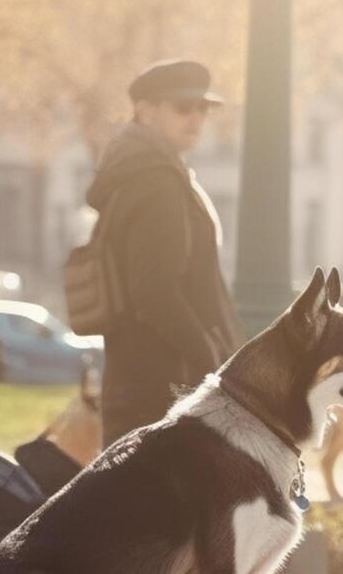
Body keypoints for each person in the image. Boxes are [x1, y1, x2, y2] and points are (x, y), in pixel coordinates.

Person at [87, 59, 243, 443]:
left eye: (202, 109)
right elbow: (153, 293)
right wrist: (210, 358)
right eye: (182, 107)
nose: (195, 118)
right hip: (166, 386)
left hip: (146, 379)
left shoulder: (146, 171)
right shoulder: (156, 182)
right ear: (144, 110)